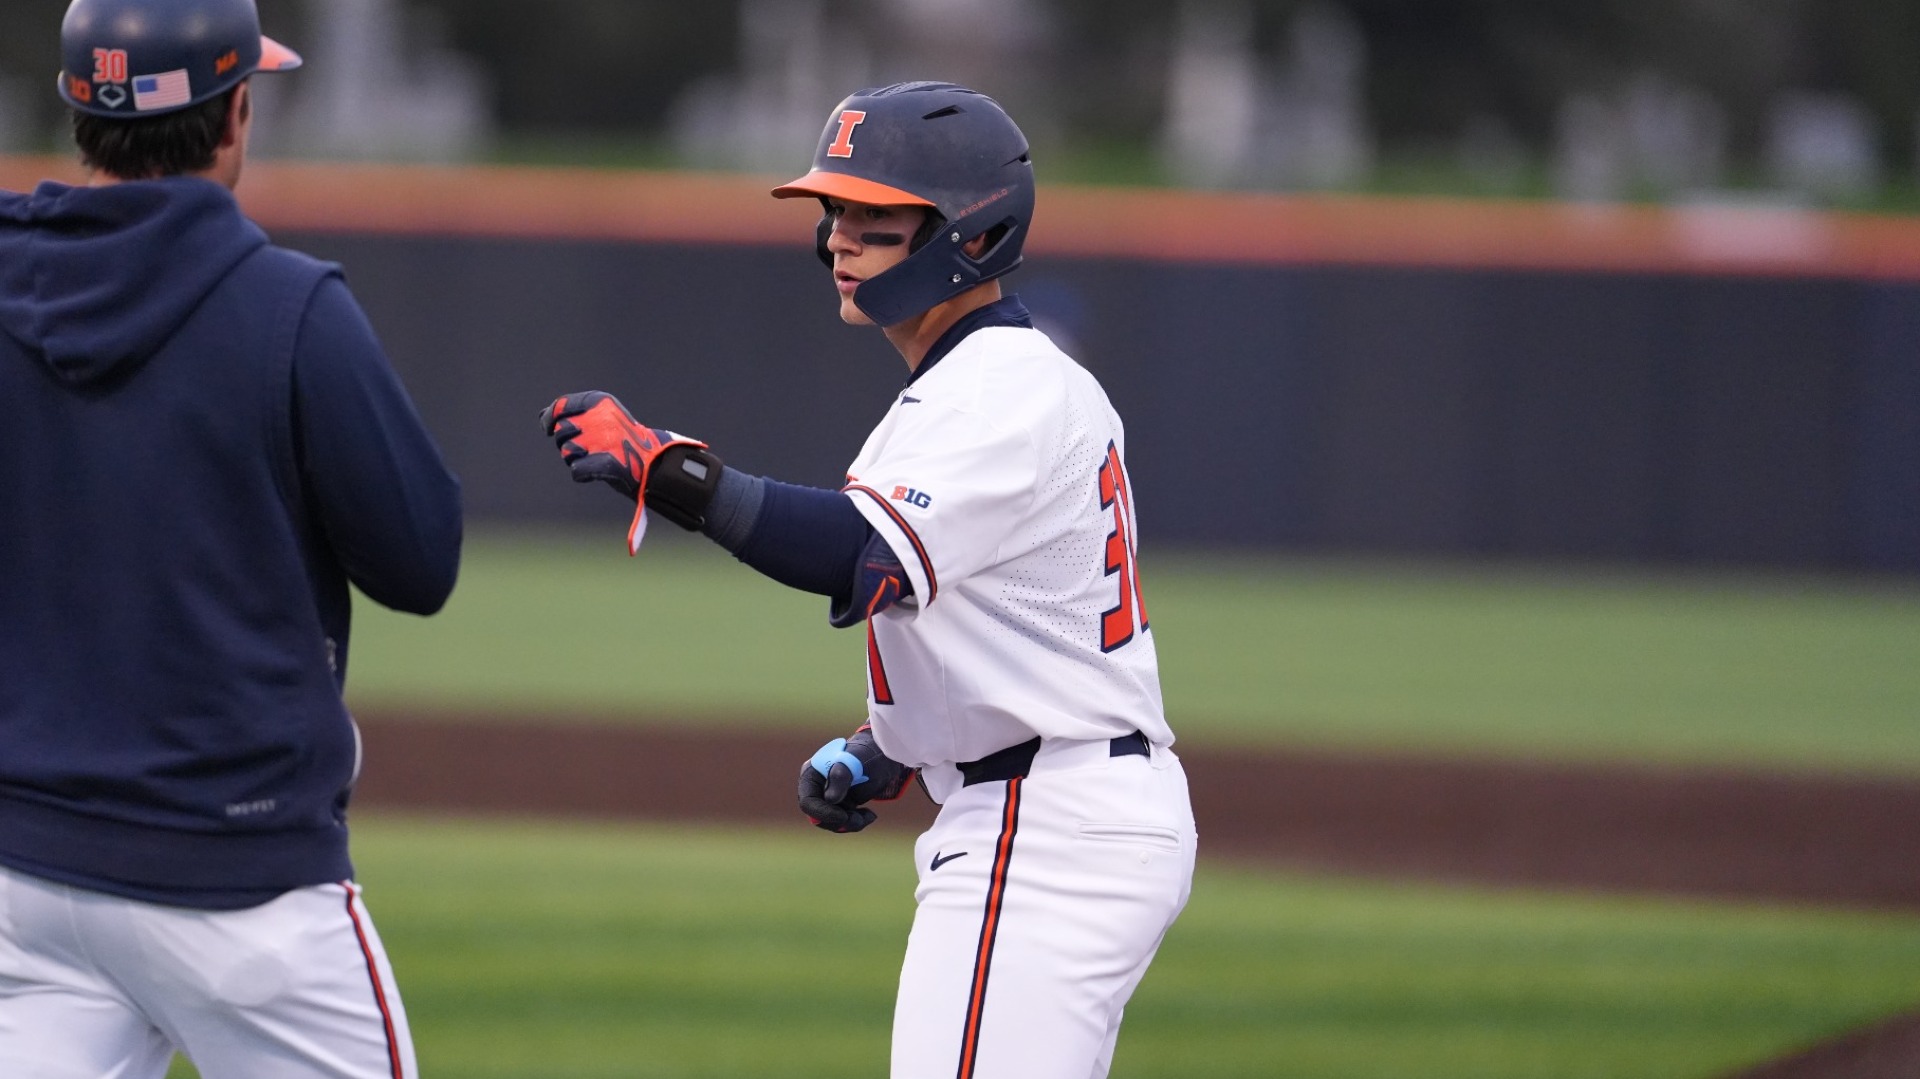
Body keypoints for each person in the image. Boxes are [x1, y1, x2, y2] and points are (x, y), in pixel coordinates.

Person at [540, 81, 1195, 1079]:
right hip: (1058, 800)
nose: (840, 236)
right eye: (834, 209)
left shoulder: (996, 386)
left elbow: (859, 552)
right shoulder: (1001, 379)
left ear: (967, 231)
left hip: (1045, 822)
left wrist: (668, 470)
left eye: (877, 214)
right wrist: (891, 747)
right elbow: (1019, 618)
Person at [0, 0, 462, 1075]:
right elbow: (421, 561)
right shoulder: (286, 305)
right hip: (238, 881)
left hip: (24, 870)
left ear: (79, 109)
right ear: (236, 111)